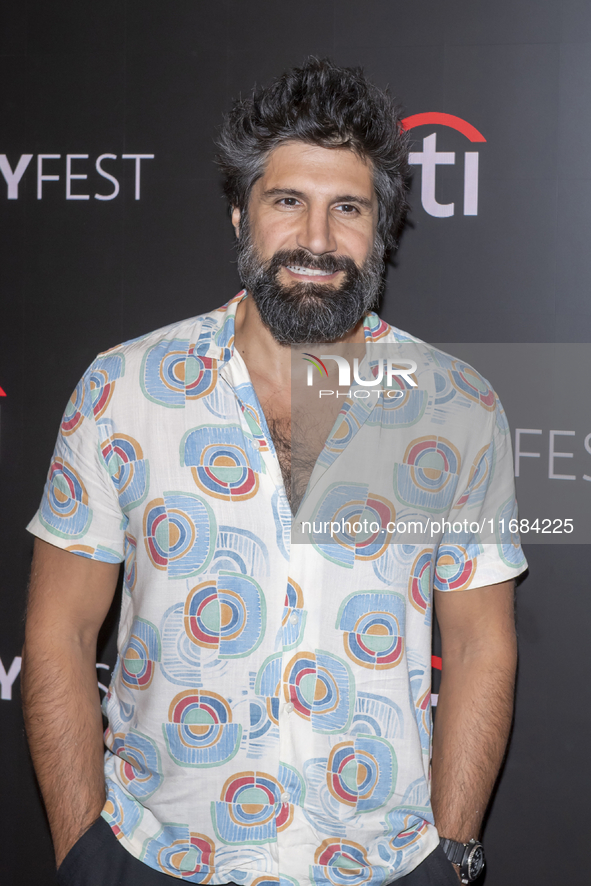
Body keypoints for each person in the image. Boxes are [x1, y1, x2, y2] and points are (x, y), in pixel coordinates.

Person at [22, 57, 526, 886]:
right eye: (287, 201)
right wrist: (83, 856)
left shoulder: (455, 407)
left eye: (348, 209)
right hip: (160, 858)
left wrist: (454, 855)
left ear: (382, 229)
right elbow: (61, 632)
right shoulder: (124, 389)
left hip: (383, 866)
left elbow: (479, 645)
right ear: (238, 214)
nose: (318, 241)